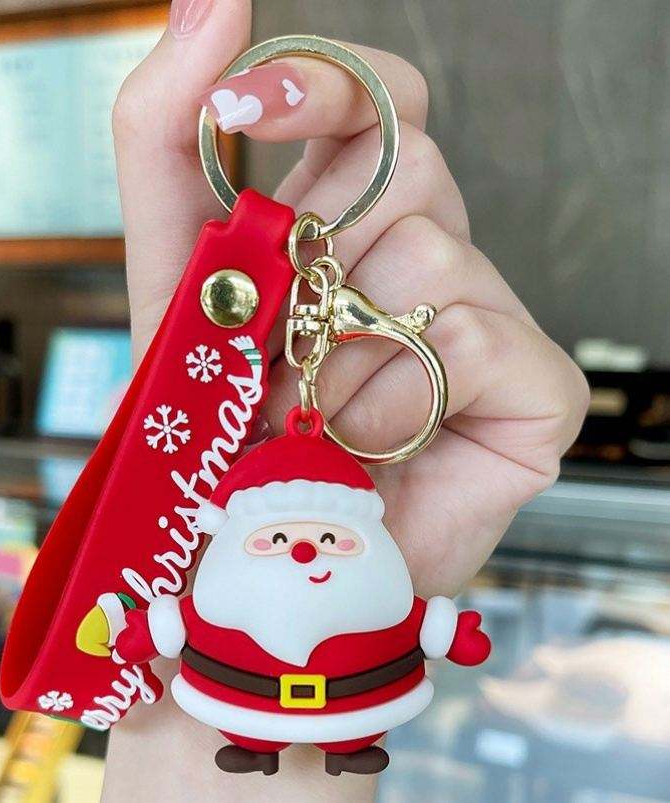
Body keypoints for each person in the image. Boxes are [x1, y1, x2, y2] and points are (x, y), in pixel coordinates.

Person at [103, 0, 590, 800]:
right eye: (287, 538)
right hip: (234, 694)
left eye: (319, 535)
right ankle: (253, 746)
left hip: (337, 694)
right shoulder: (243, 575)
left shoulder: (360, 572)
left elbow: (418, 620)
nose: (304, 552)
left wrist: (448, 625)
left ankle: (326, 744)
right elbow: (174, 620)